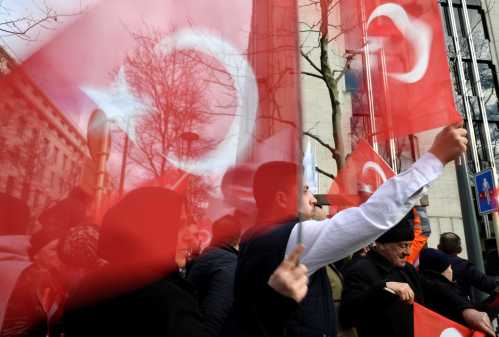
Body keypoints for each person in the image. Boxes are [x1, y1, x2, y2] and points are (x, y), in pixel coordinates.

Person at [222, 124, 468, 337]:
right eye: (306, 190)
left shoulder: (258, 239)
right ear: (281, 198)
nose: (314, 199)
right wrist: (435, 158)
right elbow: (371, 218)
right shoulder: (291, 238)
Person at [340, 215, 495, 337]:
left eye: (409, 245)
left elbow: (435, 290)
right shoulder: (359, 269)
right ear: (381, 244)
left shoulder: (406, 269)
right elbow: (348, 312)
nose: (407, 252)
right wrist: (385, 288)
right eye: (402, 245)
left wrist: (466, 310)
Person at [187, 215, 242, 337]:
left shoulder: (205, 257)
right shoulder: (229, 263)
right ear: (238, 238)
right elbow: (215, 314)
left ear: (214, 233)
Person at [419, 247, 493, 333]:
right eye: (449, 268)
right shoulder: (443, 291)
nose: (451, 271)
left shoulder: (422, 286)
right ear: (442, 271)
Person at [438, 232, 497, 300]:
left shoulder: (429, 263)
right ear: (459, 248)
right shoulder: (463, 266)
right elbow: (488, 284)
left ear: (439, 247)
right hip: (459, 307)